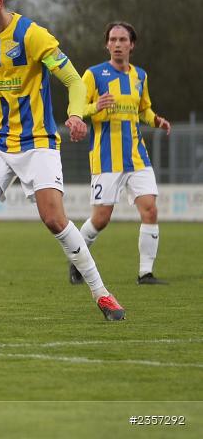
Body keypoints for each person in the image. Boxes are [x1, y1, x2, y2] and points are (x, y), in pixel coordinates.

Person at [0, 0, 125, 323]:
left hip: (38, 143)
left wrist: (76, 114)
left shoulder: (32, 35)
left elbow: (73, 80)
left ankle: (103, 296)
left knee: (54, 219)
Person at [72, 21, 171, 285]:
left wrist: (156, 120)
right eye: (113, 40)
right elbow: (77, 109)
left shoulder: (140, 76)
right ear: (106, 44)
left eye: (122, 40)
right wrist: (95, 107)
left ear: (132, 45)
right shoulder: (93, 75)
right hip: (106, 158)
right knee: (101, 219)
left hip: (137, 156)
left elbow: (143, 109)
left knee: (150, 210)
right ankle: (76, 260)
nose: (117, 44)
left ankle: (145, 273)